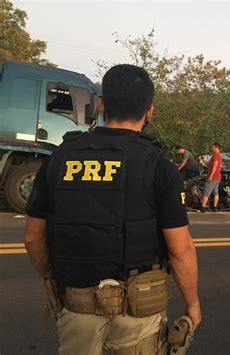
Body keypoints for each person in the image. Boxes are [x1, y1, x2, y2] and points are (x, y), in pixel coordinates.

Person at [24, 64, 201, 355]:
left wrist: (58, 283)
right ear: (149, 111)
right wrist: (193, 306)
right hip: (139, 313)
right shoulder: (160, 167)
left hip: (76, 309)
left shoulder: (60, 157)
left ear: (102, 105)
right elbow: (180, 250)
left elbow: (33, 239)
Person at [199, 142, 222, 212]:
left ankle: (203, 207)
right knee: (216, 192)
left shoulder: (216, 155)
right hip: (218, 177)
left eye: (212, 147)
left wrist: (210, 176)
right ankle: (215, 207)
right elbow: (210, 165)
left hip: (213, 177)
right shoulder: (218, 156)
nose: (211, 149)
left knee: (206, 192)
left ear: (216, 147)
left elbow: (214, 166)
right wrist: (203, 161)